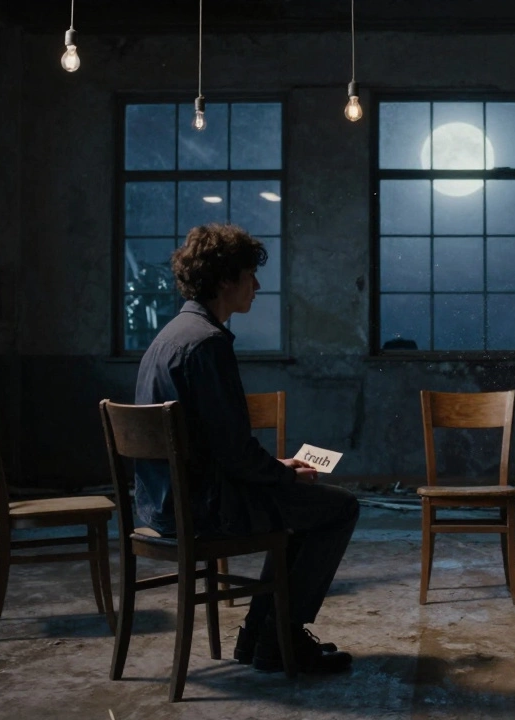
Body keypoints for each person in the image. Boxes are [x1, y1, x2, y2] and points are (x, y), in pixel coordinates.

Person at [134, 223, 359, 674]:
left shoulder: (170, 336)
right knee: (339, 508)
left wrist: (274, 467)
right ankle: (277, 641)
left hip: (161, 504)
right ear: (224, 280)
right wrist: (286, 473)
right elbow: (234, 453)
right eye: (248, 275)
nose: (256, 286)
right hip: (204, 508)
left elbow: (216, 446)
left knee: (303, 509)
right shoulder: (208, 344)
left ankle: (264, 638)